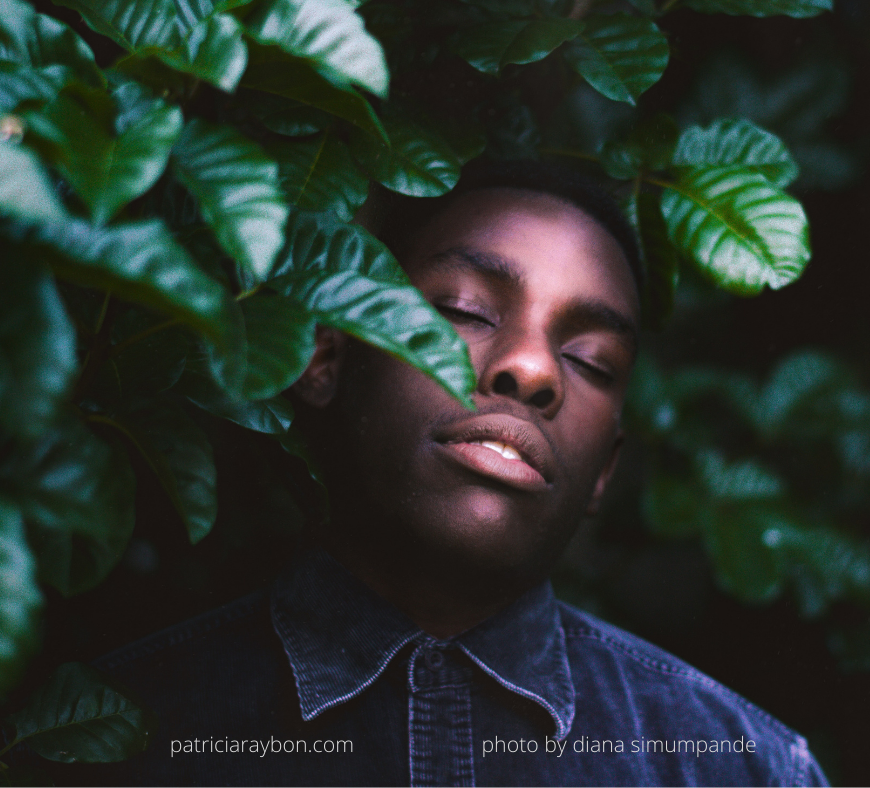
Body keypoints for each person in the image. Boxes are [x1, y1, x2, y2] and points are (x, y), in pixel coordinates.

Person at [59, 162, 827, 786]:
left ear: (606, 472)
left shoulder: (745, 769)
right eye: (466, 311)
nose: (529, 369)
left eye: (591, 360)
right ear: (326, 356)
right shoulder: (105, 744)